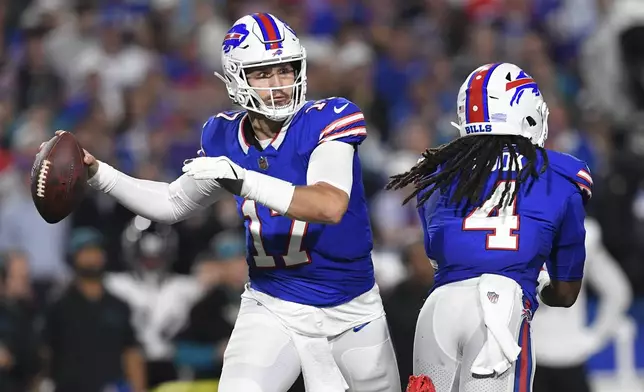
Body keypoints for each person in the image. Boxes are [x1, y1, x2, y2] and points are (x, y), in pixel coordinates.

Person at [46, 12, 399, 392]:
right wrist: (101, 174)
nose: (279, 84)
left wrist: (244, 179)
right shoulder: (224, 136)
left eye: (285, 70)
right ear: (236, 78)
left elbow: (329, 205)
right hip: (272, 304)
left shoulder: (327, 120)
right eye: (264, 73)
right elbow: (171, 203)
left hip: (351, 308)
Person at [387, 62, 592, 392]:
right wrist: (540, 287)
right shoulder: (562, 174)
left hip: (438, 309)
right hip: (500, 308)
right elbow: (567, 293)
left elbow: (440, 256)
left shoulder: (436, 174)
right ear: (529, 114)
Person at [531, 217, 633, 392]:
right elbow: (617, 291)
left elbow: (617, 291)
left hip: (561, 356)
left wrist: (596, 337)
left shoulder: (584, 234)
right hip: (533, 358)